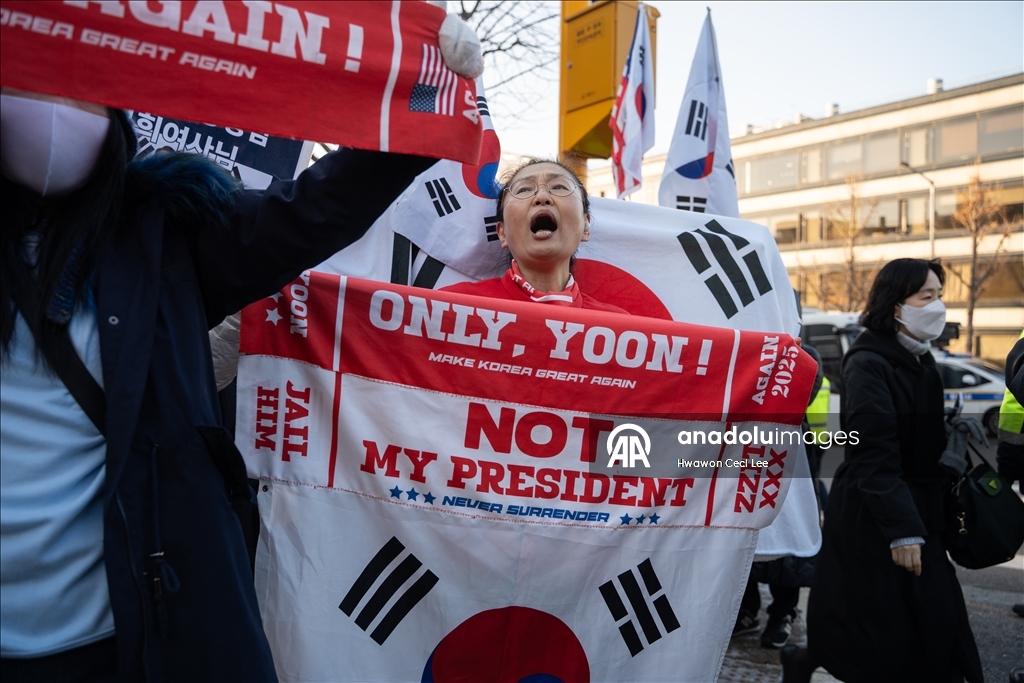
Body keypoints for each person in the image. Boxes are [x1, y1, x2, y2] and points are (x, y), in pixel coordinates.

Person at [0, 91, 440, 681]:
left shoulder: (169, 236)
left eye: (79, 92)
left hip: (132, 638)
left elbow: (321, 204)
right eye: (29, 88)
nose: (54, 113)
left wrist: (424, 89)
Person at [781, 258, 984, 682]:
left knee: (927, 626)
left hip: (918, 510)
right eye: (926, 296)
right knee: (878, 633)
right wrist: (902, 529)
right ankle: (804, 659)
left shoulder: (922, 360)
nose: (938, 306)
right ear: (896, 305)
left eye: (939, 296)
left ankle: (808, 658)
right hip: (877, 518)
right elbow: (873, 452)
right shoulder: (868, 361)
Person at [441, 159, 625, 313]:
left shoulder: (622, 331)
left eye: (559, 187)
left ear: (586, 226)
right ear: (502, 233)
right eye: (523, 190)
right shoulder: (448, 309)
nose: (542, 196)